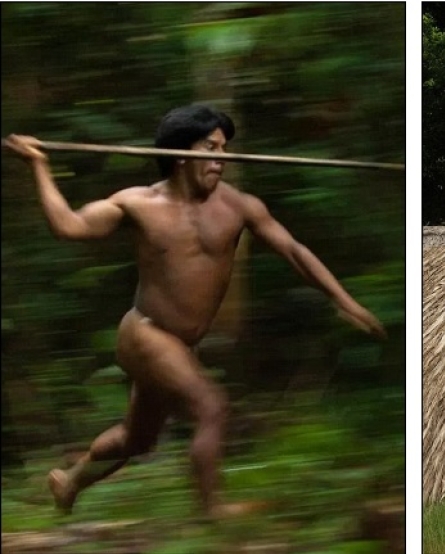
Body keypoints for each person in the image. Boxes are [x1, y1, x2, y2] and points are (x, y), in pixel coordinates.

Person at [5, 104, 387, 520]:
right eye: (212, 148)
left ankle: (69, 481)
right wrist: (40, 166)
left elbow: (293, 250)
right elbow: (69, 226)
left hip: (181, 343)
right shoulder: (138, 204)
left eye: (225, 148)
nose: (222, 159)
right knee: (211, 406)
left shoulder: (239, 206)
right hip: (145, 333)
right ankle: (213, 512)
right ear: (182, 154)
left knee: (138, 439)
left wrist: (343, 300)